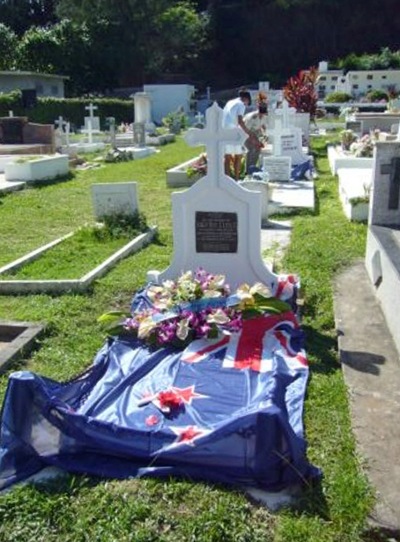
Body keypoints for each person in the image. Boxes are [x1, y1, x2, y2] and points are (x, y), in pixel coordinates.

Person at [222, 88, 259, 180]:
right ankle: (237, 179)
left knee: (227, 156)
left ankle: (227, 179)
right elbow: (240, 121)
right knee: (238, 155)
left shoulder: (230, 102)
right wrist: (249, 133)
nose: (246, 105)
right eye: (247, 103)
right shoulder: (241, 104)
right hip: (234, 131)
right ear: (246, 99)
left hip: (223, 130)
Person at [243, 102, 268, 174]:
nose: (262, 115)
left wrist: (263, 138)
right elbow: (247, 130)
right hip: (246, 133)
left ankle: (253, 168)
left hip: (256, 132)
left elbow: (262, 126)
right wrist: (254, 141)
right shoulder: (252, 117)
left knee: (258, 149)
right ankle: (247, 171)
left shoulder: (264, 116)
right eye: (261, 113)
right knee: (251, 149)